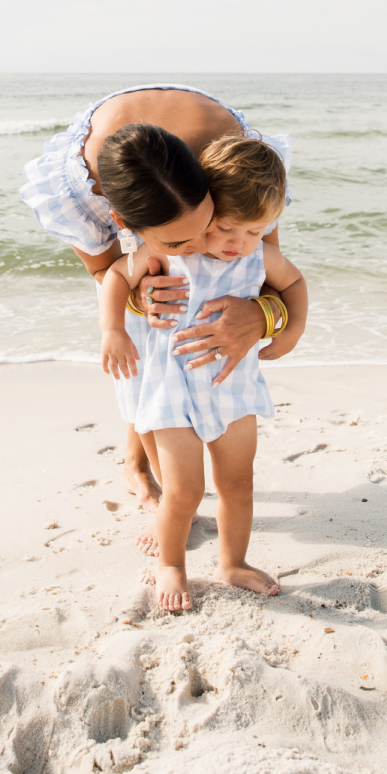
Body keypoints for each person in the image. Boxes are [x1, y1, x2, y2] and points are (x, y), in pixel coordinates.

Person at [20, 85, 294, 509]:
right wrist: (139, 296)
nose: (200, 246)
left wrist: (263, 315)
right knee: (143, 336)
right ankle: (140, 463)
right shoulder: (77, 190)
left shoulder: (235, 165)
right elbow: (105, 272)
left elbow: (265, 264)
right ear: (123, 223)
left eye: (207, 225)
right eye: (178, 243)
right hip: (114, 174)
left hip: (198, 147)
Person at [100, 133, 307, 611]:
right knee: (185, 489)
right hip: (172, 390)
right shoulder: (172, 250)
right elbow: (115, 275)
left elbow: (294, 282)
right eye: (229, 229)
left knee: (239, 482)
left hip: (232, 384)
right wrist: (113, 329)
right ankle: (171, 564)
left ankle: (232, 563)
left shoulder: (258, 254)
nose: (239, 244)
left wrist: (291, 329)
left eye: (256, 232)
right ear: (208, 209)